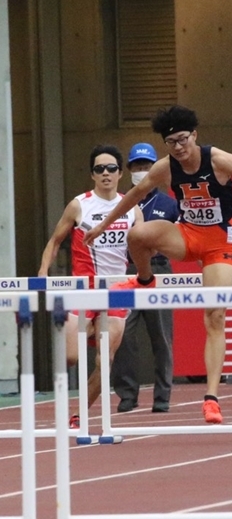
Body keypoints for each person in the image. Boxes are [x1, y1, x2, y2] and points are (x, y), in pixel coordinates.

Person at [83, 105, 232, 425]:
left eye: (183, 140)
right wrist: (103, 225)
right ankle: (144, 281)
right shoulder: (165, 167)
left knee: (215, 314)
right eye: (171, 142)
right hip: (186, 236)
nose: (178, 147)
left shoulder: (219, 160)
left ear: (195, 136)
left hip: (218, 244)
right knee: (138, 234)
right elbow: (133, 196)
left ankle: (212, 399)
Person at [38, 145, 143, 429]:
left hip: (118, 290)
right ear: (93, 175)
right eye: (100, 169)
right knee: (71, 356)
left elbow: (142, 247)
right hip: (84, 290)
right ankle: (93, 330)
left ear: (121, 173)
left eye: (111, 168)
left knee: (104, 361)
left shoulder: (132, 207)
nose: (106, 174)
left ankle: (80, 414)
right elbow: (54, 241)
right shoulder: (79, 205)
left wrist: (144, 276)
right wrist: (43, 272)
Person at [111, 143, 179, 413]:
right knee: (123, 334)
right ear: (129, 171)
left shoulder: (170, 204)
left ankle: (162, 396)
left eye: (147, 166)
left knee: (161, 336)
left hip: (159, 270)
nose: (142, 171)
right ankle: (127, 394)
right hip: (126, 271)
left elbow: (182, 236)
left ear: (156, 169)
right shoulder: (122, 201)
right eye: (137, 167)